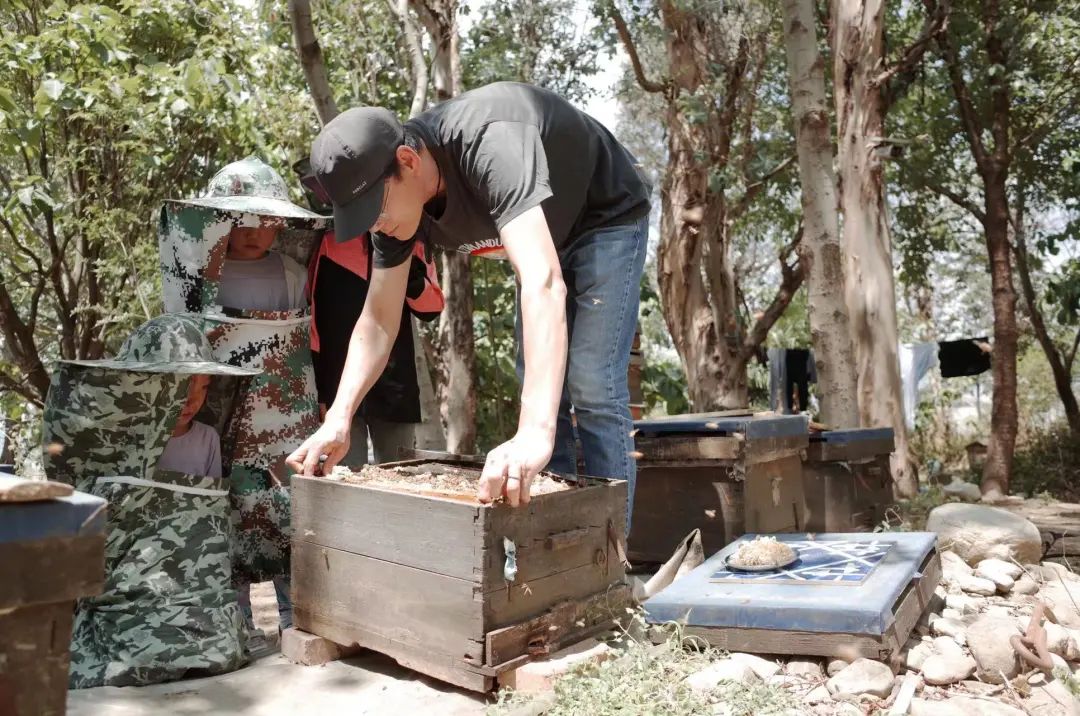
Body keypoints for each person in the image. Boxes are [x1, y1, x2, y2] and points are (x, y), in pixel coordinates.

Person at [287, 82, 651, 518]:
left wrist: (533, 433)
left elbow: (543, 282)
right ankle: (560, 546)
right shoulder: (396, 210)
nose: (376, 226)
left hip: (604, 216)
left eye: (375, 211)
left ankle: (613, 556)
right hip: (545, 233)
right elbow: (379, 320)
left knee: (590, 382)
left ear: (407, 161)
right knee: (538, 390)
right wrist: (339, 418)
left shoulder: (490, 143)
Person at [157, 373, 222, 477]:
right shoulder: (133, 435)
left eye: (203, 387)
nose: (194, 401)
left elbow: (212, 489)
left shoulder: (208, 437)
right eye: (185, 386)